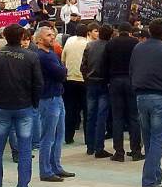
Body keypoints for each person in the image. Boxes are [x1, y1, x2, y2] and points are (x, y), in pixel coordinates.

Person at [0, 24, 43, 187]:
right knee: (25, 149)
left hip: (1, 107)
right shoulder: (30, 57)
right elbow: (38, 84)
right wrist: (33, 102)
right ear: (22, 37)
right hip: (23, 107)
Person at [130, 18, 162, 187]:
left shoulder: (138, 48)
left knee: (149, 138)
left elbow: (132, 70)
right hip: (161, 97)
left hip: (142, 96)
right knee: (157, 139)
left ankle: (155, 174)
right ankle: (150, 180)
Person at [35, 27, 75, 182]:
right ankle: (45, 170)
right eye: (48, 35)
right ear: (39, 39)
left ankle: (56, 166)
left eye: (53, 35)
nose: (52, 37)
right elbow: (60, 73)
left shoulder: (50, 54)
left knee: (59, 135)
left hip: (57, 97)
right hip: (48, 98)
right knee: (48, 136)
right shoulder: (43, 56)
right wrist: (63, 69)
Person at [105, 22, 143, 162]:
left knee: (117, 117)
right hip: (131, 81)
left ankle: (119, 152)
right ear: (129, 31)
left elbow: (105, 63)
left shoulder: (111, 43)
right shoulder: (135, 43)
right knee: (134, 117)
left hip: (115, 81)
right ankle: (136, 151)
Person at [81, 24, 112, 158]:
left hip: (91, 83)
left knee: (90, 115)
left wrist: (86, 79)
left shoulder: (90, 45)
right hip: (104, 83)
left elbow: (83, 65)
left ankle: (90, 146)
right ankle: (99, 147)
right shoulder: (110, 47)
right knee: (101, 116)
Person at [61, 24, 88, 145]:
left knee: (70, 109)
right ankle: (88, 139)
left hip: (69, 79)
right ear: (87, 33)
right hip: (83, 80)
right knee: (87, 111)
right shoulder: (88, 43)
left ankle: (68, 137)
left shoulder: (69, 41)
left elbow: (63, 60)